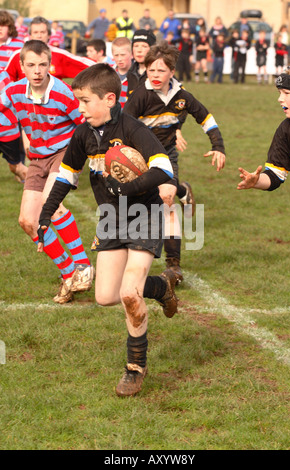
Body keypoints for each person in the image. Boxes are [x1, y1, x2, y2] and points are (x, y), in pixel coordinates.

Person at [37, 63, 178, 397]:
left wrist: (126, 188)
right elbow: (66, 177)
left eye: (85, 101)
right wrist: (44, 217)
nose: (80, 108)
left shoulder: (132, 129)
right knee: (105, 297)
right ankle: (160, 287)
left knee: (130, 293)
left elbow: (164, 168)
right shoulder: (83, 134)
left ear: (110, 99)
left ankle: (134, 368)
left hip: (144, 212)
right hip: (111, 218)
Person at [0, 40, 94, 304]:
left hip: (65, 153)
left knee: (49, 203)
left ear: (50, 65)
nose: (37, 70)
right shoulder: (14, 91)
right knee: (27, 221)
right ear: (22, 66)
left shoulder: (63, 92)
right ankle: (68, 275)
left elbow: (85, 123)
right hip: (37, 159)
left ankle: (83, 265)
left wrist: (95, 155)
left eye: (42, 64)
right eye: (31, 65)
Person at [124, 41, 226, 282]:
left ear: (171, 71)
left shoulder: (182, 96)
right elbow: (124, 127)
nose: (155, 75)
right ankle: (183, 190)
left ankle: (174, 265)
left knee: (166, 199)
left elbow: (206, 118)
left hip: (166, 154)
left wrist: (218, 146)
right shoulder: (139, 96)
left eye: (161, 70)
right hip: (140, 155)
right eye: (151, 70)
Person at [237, 63, 290, 264]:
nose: (280, 99)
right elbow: (276, 174)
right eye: (280, 92)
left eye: (287, 93)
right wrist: (256, 181)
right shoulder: (287, 129)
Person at [5, 16, 95, 82]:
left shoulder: (60, 55)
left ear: (49, 35)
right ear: (30, 35)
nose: (39, 35)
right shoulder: (18, 55)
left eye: (42, 32)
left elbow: (85, 64)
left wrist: (107, 66)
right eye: (35, 32)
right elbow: (6, 79)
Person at [0, 70, 27, 182]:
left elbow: (7, 98)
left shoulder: (2, 74)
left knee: (16, 167)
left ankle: (37, 186)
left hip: (7, 131)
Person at [127, 29, 156, 94]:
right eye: (136, 46)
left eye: (144, 46)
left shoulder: (160, 73)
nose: (139, 50)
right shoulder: (129, 73)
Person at [111, 37, 133, 108]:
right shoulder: (109, 73)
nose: (119, 59)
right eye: (116, 55)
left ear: (131, 54)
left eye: (123, 55)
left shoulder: (138, 75)